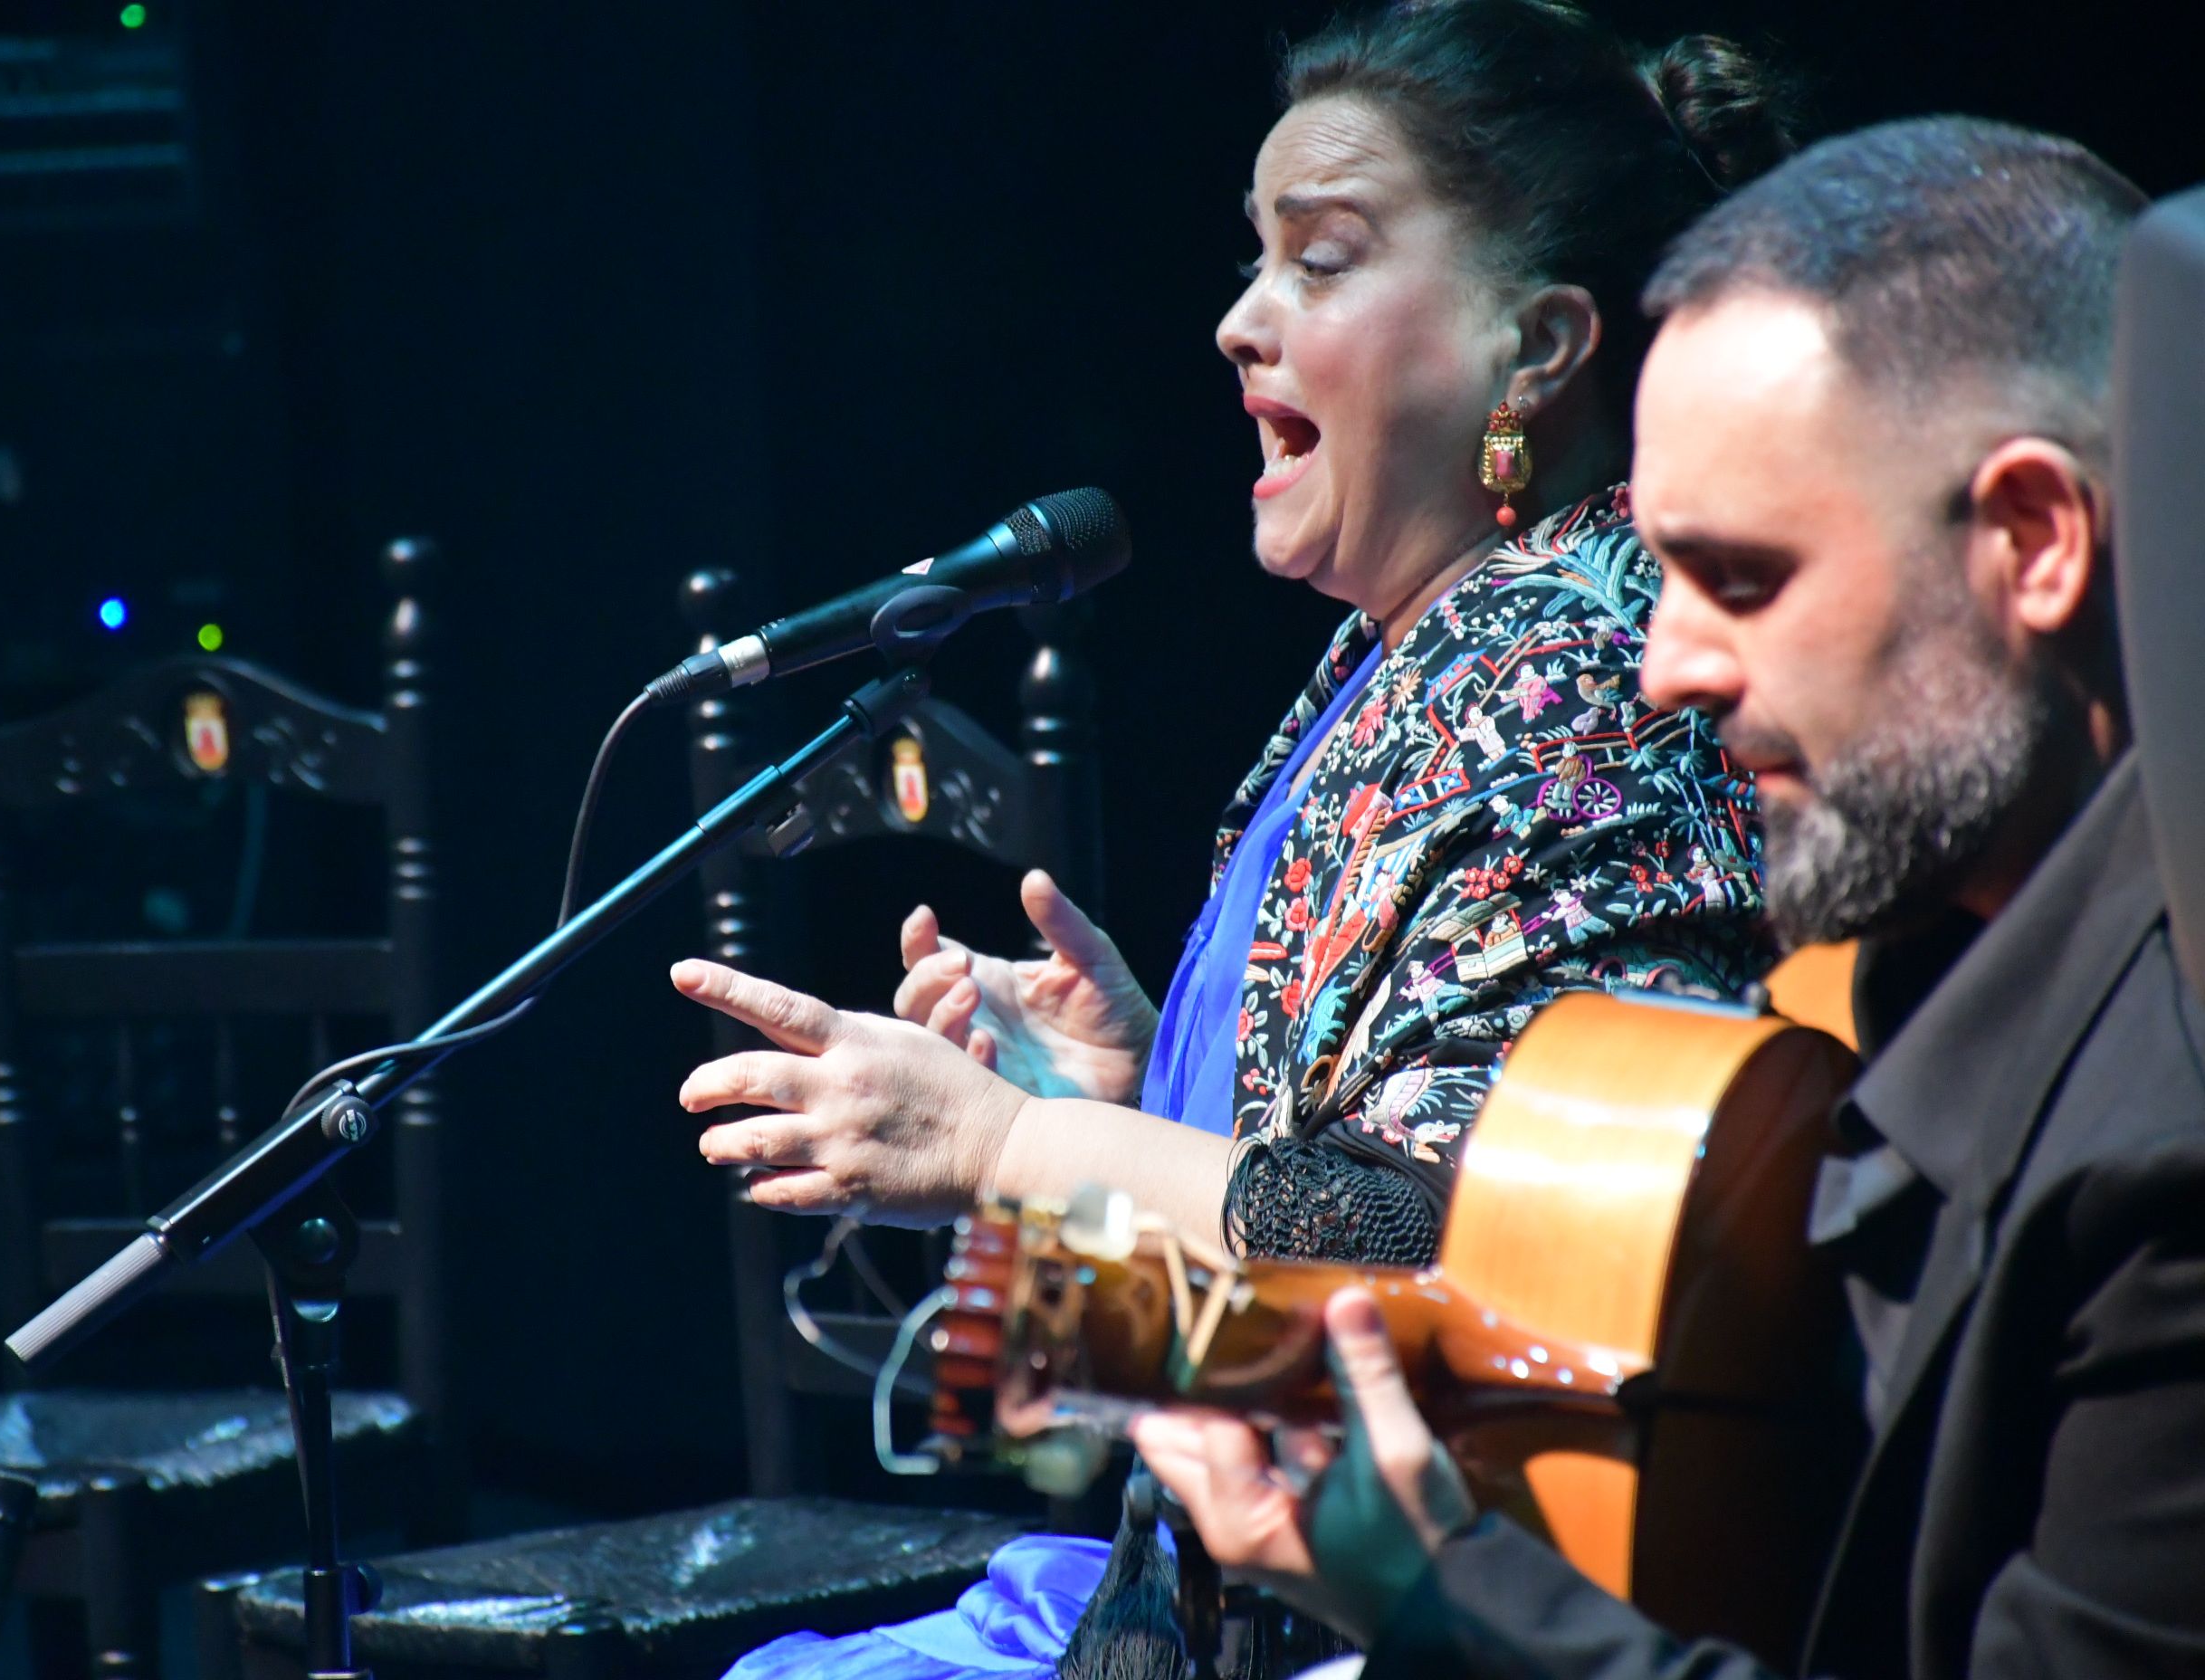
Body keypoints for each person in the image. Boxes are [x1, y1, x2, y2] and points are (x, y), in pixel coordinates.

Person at [682, 4, 1796, 1675]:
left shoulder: (1577, 681)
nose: (1236, 325)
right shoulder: (1414, 650)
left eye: (1322, 262)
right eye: (1252, 262)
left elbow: (1494, 1263)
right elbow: (1227, 1304)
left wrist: (1005, 1156)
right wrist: (1132, 1099)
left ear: (1540, 348)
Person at [1131, 117, 2205, 1680]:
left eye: (1748, 580)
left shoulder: (2166, 1173)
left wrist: (1435, 1597)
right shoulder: (1893, 990)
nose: (1667, 667)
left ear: (2032, 543)